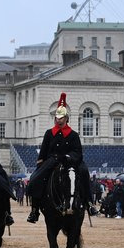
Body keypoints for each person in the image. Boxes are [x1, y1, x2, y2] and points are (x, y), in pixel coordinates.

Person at [26, 93, 97, 223]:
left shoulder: (73, 135)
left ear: (66, 118)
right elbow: (43, 151)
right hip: (52, 161)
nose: (58, 120)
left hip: (70, 161)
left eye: (61, 118)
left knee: (84, 172)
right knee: (36, 178)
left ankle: (89, 203)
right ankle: (34, 210)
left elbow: (78, 152)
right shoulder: (49, 133)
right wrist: (40, 164)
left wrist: (69, 157)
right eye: (57, 118)